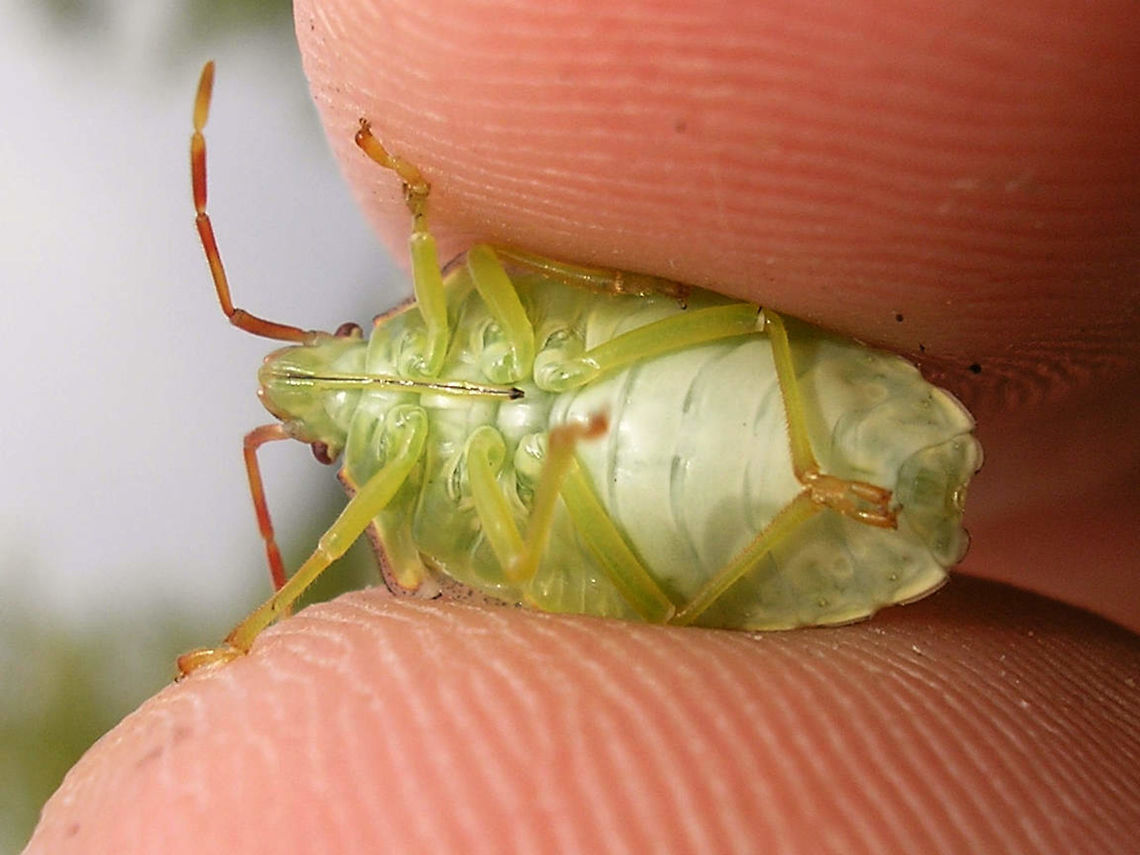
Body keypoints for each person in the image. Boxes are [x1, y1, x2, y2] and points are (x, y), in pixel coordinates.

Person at [25, 0, 1139, 851]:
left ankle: (815, 466)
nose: (329, 409)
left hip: (661, 391)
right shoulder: (413, 525)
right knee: (630, 587)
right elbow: (474, 567)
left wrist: (422, 205)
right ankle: (810, 490)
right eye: (325, 442)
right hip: (603, 512)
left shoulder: (465, 301)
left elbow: (508, 269)